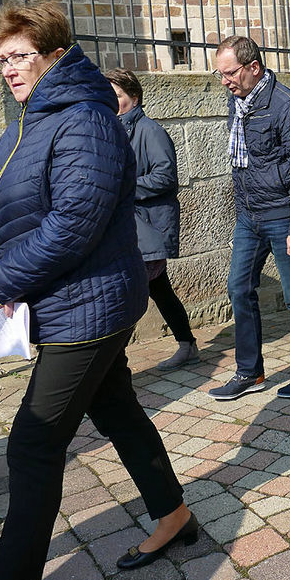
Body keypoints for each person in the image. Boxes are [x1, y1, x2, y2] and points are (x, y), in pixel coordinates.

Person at [0, 1, 195, 580]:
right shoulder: (30, 118)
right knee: (117, 408)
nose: (9, 68)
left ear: (54, 54)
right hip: (64, 301)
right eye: (0, 59)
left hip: (91, 306)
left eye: (20, 56)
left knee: (31, 445)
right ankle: (174, 514)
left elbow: (75, 222)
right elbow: (11, 212)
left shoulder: (83, 119)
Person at [208, 35, 290, 400]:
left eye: (229, 73)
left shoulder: (286, 106)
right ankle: (250, 372)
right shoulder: (239, 103)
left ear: (253, 68)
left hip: (282, 217)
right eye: (220, 75)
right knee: (238, 288)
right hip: (248, 216)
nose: (225, 81)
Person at [105, 68, 199, 370]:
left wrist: (124, 187)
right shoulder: (114, 129)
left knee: (127, 294)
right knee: (160, 290)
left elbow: (165, 177)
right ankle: (187, 345)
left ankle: (109, 362)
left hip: (146, 226)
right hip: (128, 227)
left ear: (134, 97)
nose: (111, 101)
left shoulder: (150, 130)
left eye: (117, 95)